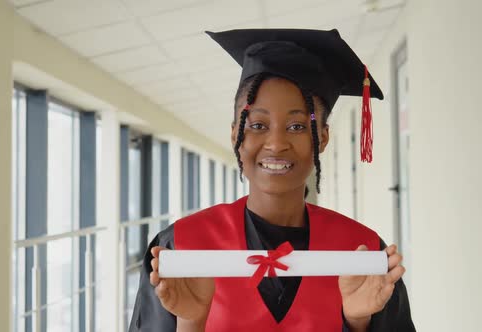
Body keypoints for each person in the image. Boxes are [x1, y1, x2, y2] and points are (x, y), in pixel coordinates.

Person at [129, 29, 415, 332]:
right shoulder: (181, 249)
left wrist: (357, 323)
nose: (276, 143)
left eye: (296, 126)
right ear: (234, 135)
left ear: (323, 138)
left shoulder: (363, 254)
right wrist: (190, 323)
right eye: (257, 125)